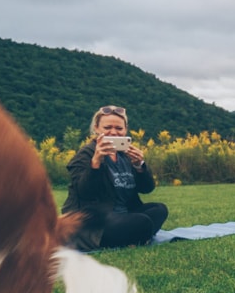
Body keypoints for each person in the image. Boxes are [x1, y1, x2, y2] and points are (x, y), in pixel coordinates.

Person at [62, 105, 168, 251]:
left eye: (119, 128)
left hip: (124, 215)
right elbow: (85, 192)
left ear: (125, 130)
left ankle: (133, 236)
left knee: (159, 209)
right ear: (96, 129)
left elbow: (147, 188)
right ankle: (136, 236)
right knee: (142, 222)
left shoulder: (125, 153)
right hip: (95, 219)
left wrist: (140, 166)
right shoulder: (85, 155)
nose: (114, 132)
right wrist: (96, 162)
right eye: (107, 127)